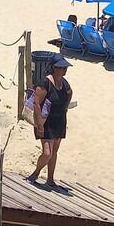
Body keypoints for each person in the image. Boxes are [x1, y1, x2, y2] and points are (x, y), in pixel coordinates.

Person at [26, 55, 73, 190]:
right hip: (46, 122)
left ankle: (50, 180)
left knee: (54, 151)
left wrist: (65, 107)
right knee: (47, 153)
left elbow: (70, 93)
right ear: (54, 68)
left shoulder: (64, 83)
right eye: (61, 68)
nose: (64, 70)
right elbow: (36, 104)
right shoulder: (45, 83)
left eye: (65, 68)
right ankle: (35, 174)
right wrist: (39, 125)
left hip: (59, 121)